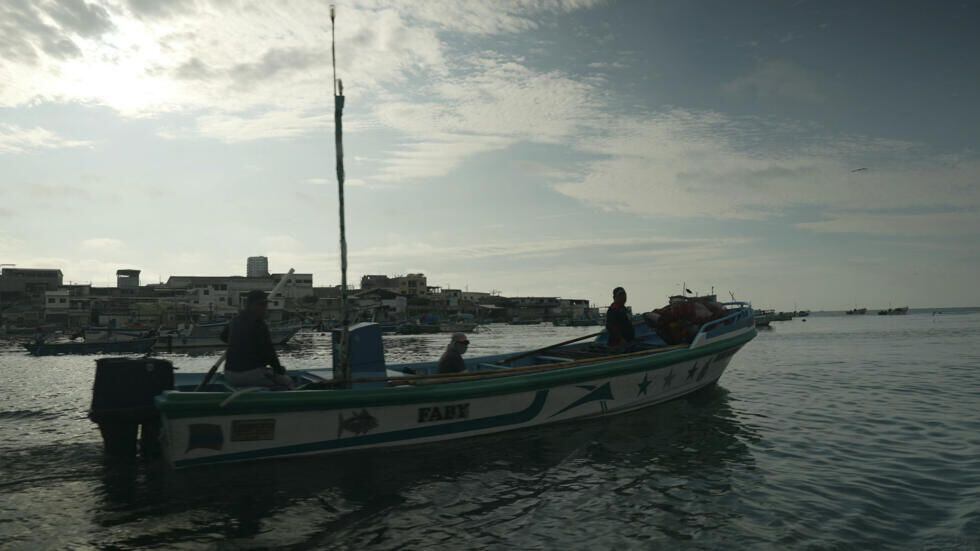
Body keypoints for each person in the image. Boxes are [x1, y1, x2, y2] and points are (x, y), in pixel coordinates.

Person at [220, 290, 293, 388]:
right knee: (287, 382)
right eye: (261, 305)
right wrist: (279, 371)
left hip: (229, 375)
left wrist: (239, 344)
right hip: (251, 375)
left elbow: (223, 337)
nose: (264, 308)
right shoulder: (259, 325)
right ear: (251, 305)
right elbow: (270, 353)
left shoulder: (235, 320)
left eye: (265, 305)